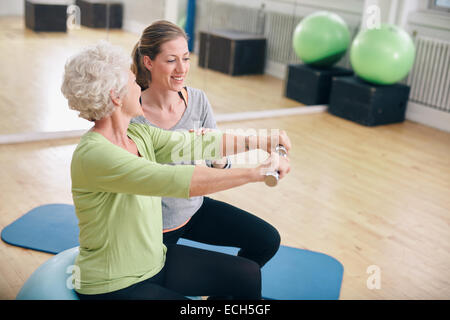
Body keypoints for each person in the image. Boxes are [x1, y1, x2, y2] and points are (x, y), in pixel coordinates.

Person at [61, 40, 291, 300]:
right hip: (116, 283)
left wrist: (264, 140)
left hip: (155, 260)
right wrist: (255, 173)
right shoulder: (95, 155)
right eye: (134, 82)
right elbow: (175, 180)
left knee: (246, 274)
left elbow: (194, 142)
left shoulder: (137, 133)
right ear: (116, 95)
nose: (140, 86)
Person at [131, 20, 281, 271]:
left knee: (267, 240)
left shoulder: (198, 100)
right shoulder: (132, 113)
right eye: (171, 60)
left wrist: (215, 151)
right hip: (153, 225)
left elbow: (218, 164)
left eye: (186, 58)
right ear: (148, 62)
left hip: (193, 209)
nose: (182, 69)